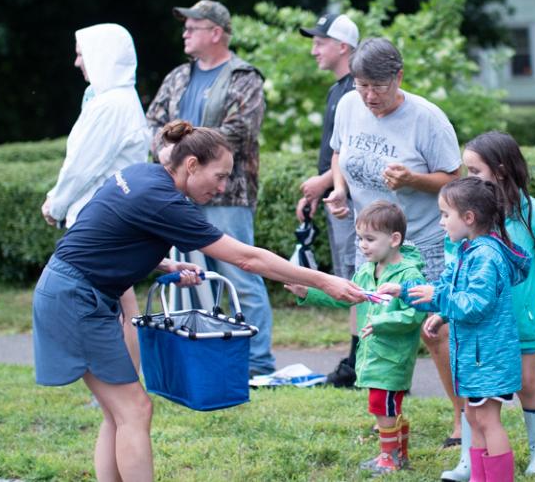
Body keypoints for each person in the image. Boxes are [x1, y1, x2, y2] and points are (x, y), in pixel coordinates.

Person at [32, 120, 365, 482]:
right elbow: (246, 259)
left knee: (119, 412)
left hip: (67, 290)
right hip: (76, 300)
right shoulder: (165, 201)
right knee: (135, 410)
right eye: (219, 176)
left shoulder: (141, 175)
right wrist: (324, 280)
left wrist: (163, 263)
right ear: (191, 165)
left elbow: (105, 233)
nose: (222, 187)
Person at [323, 37, 465, 444]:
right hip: (372, 245)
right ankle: (389, 415)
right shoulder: (349, 105)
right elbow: (339, 154)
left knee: (434, 331)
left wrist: (413, 180)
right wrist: (338, 189)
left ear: (398, 77)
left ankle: (462, 419)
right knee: (378, 328)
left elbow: (455, 180)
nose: (368, 95)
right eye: (361, 84)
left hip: (422, 242)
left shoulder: (427, 119)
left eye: (378, 86)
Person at [145, 0, 276, 376]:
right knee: (186, 276)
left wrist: (178, 147)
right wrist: (168, 149)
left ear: (216, 32)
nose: (184, 32)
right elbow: (154, 122)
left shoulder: (244, 77)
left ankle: (258, 363)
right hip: (177, 193)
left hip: (228, 195)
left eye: (193, 26)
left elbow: (240, 131)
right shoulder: (177, 76)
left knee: (241, 273)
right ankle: (198, 355)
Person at [441, 131, 535, 480]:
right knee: (475, 390)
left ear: (499, 171)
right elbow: (451, 269)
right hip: (478, 328)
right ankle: (472, 460)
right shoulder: (464, 217)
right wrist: (442, 309)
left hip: (520, 322)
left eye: (474, 170)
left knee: (527, 383)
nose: (467, 178)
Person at [378, 177, 530, 482]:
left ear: (469, 218)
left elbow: (475, 303)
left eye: (446, 214)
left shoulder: (486, 256)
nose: (441, 221)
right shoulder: (467, 251)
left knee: (487, 420)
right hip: (475, 357)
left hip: (488, 357)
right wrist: (407, 292)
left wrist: (440, 300)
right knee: (474, 417)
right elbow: (446, 289)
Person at [286, 200, 426, 474]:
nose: (362, 245)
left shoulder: (409, 275)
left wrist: (382, 323)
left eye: (370, 239)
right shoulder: (366, 272)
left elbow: (414, 315)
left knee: (381, 405)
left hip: (393, 357)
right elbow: (343, 298)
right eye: (360, 238)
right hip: (372, 355)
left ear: (395, 239)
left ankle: (389, 458)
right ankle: (398, 455)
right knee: (387, 405)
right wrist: (308, 293)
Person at [42, 23, 151, 372]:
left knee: (119, 307)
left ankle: (124, 383)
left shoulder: (111, 106)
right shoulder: (112, 100)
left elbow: (81, 167)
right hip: (112, 218)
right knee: (118, 304)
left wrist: (55, 204)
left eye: (82, 53)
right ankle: (121, 382)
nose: (77, 62)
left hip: (105, 221)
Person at [298, 12, 362, 388]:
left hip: (354, 201)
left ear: (343, 47)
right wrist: (320, 186)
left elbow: (353, 149)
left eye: (320, 42)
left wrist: (324, 182)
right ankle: (356, 359)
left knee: (358, 279)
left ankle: (359, 362)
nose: (313, 50)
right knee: (350, 278)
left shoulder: (357, 88)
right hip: (338, 197)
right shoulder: (336, 89)